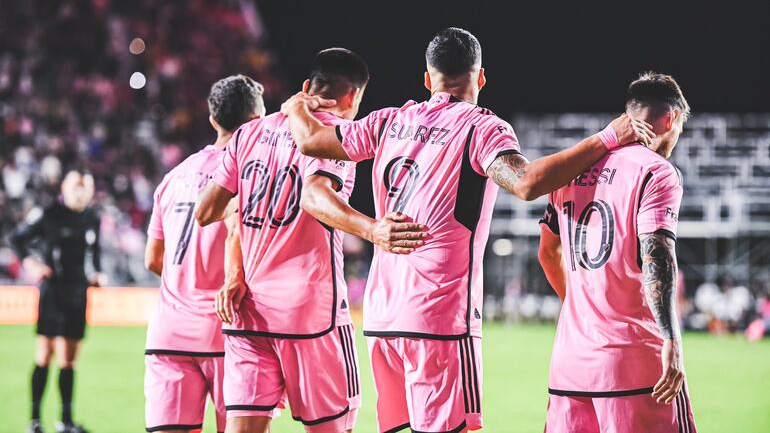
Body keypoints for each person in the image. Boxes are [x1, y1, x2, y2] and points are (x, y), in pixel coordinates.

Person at [281, 27, 654, 433]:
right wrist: (606, 137)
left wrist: (294, 107)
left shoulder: (389, 120)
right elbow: (526, 182)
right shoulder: (480, 128)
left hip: (382, 316)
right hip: (439, 319)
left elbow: (312, 140)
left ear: (427, 78)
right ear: (481, 77)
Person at [196, 48, 425, 433]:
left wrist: (249, 221)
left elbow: (206, 212)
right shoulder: (333, 139)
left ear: (307, 87)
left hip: (248, 311)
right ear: (353, 97)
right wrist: (373, 230)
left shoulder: (249, 133)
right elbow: (314, 196)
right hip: (311, 315)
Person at [538, 72, 697, 432]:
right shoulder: (657, 171)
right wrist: (671, 338)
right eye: (679, 130)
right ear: (670, 119)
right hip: (634, 365)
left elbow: (547, 254)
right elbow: (657, 254)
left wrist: (582, 304)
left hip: (569, 365)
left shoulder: (572, 171)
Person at [143, 75, 265, 433]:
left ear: (213, 121)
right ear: (259, 122)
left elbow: (153, 258)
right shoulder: (252, 174)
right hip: (228, 333)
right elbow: (241, 236)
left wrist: (188, 282)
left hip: (168, 335)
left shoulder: (174, 176)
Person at [11, 169, 103, 433]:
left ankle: (65, 421)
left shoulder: (91, 218)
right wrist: (32, 264)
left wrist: (96, 273)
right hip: (53, 292)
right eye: (76, 184)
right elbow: (17, 239)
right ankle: (35, 421)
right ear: (65, 187)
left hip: (78, 292)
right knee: (45, 354)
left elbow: (93, 252)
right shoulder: (50, 213)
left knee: (69, 359)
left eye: (86, 186)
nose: (81, 190)